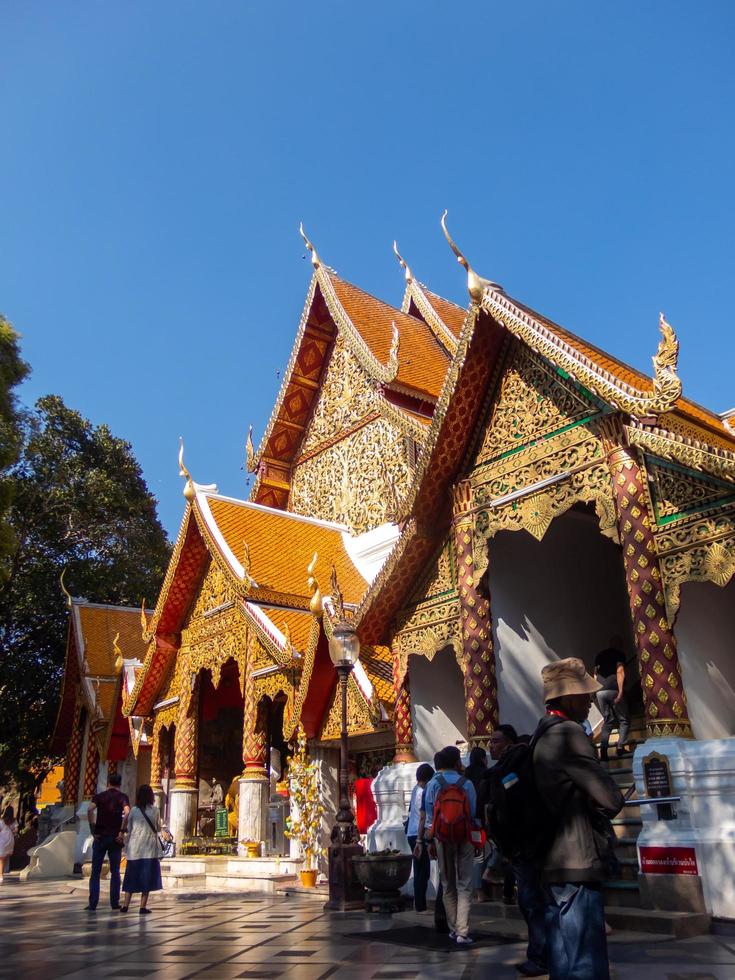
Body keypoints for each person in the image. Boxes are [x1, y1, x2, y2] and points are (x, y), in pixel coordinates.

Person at [534, 657, 625, 980]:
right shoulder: (568, 734)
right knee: (584, 961)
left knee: (564, 958)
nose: (590, 701)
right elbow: (610, 798)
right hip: (576, 857)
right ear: (568, 697)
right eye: (584, 695)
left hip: (550, 860)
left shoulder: (539, 736)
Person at [479, 724, 548, 978]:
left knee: (532, 902)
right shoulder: (505, 768)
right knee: (531, 901)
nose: (491, 745)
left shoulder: (515, 767)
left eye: (495, 741)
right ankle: (541, 952)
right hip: (521, 846)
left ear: (508, 743)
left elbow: (515, 807)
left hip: (526, 845)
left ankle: (541, 955)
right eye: (490, 741)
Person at [423, 745, 478, 945]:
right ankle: (463, 932)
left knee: (447, 884)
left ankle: (454, 928)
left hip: (441, 837)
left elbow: (430, 815)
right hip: (464, 836)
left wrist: (429, 839)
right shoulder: (467, 783)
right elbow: (472, 812)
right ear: (457, 762)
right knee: (465, 883)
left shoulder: (433, 784)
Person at [85, 772, 130, 911]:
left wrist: (93, 829)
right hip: (115, 838)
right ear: (120, 783)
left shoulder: (100, 797)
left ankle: (93, 903)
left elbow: (89, 809)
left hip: (100, 836)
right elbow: (127, 812)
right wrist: (122, 831)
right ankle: (114, 902)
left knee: (95, 871)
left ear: (108, 783)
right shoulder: (122, 797)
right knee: (115, 871)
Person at [119, 784, 163, 914]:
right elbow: (158, 828)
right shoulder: (155, 810)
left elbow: (128, 825)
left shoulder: (133, 810)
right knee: (146, 879)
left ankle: (126, 905)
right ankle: (142, 907)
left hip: (134, 849)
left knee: (131, 878)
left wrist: (123, 833)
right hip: (149, 849)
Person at [593, 644, 631, 760]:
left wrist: (595, 690)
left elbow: (594, 673)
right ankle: (620, 747)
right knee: (624, 720)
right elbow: (620, 672)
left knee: (608, 720)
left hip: (600, 691)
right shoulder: (619, 654)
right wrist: (620, 691)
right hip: (613, 689)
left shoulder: (599, 655)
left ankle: (603, 750)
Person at [407, 762, 434, 912]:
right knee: (423, 870)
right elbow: (423, 817)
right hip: (419, 834)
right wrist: (420, 840)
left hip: (412, 832)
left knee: (419, 869)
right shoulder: (423, 792)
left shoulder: (414, 789)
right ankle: (420, 905)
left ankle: (419, 904)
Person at [0, 805, 18, 882]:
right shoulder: (14, 821)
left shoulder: (2, 821)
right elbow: (16, 830)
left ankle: (0, 875)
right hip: (10, 840)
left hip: (2, 840)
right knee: (3, 859)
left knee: (1, 859)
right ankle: (1, 875)